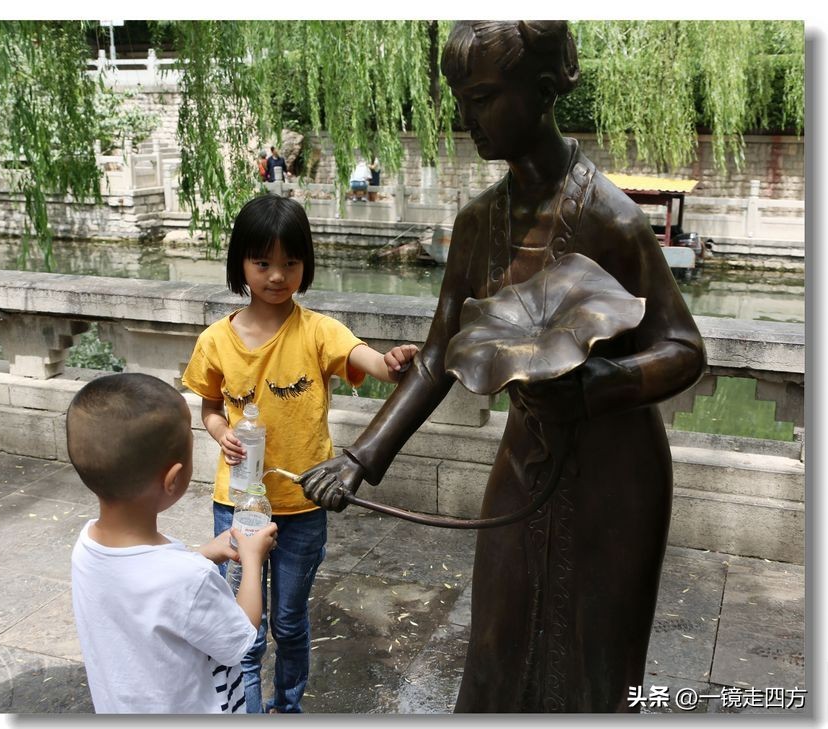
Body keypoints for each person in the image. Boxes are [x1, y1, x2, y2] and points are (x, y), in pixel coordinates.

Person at [300, 21, 705, 713]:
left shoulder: (612, 220)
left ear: (543, 91)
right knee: (497, 643)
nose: (467, 118)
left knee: (597, 667)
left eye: (483, 98)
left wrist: (598, 385)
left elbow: (686, 350)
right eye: (461, 99)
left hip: (615, 474)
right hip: (527, 455)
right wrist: (361, 457)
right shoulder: (477, 223)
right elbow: (438, 354)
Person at [181, 194, 417, 713]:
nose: (276, 275)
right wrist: (221, 433)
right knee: (243, 626)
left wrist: (395, 361)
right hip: (238, 505)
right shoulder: (216, 341)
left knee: (289, 622)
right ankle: (247, 712)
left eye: (290, 262)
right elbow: (211, 408)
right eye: (262, 262)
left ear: (306, 264)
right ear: (240, 264)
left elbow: (372, 362)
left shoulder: (318, 331)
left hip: (304, 505)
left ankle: (287, 708)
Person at [68, 372, 278, 714]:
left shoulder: (86, 547)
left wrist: (202, 555)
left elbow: (148, 586)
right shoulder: (190, 580)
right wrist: (253, 560)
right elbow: (238, 638)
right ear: (174, 478)